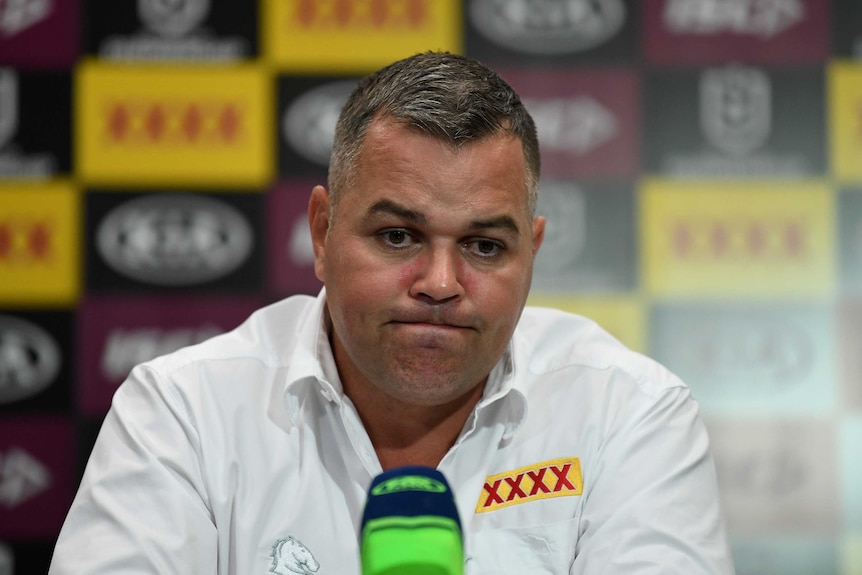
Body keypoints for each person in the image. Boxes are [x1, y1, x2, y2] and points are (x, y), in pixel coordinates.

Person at [49, 52, 734, 574]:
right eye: (398, 236)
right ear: (322, 232)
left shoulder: (630, 414)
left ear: (533, 249)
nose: (440, 282)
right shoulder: (182, 412)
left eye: (485, 245)